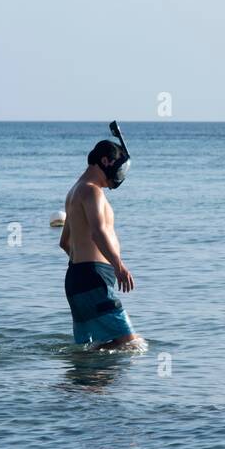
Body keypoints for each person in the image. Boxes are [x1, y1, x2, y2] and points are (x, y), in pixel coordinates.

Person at [60, 138, 141, 348]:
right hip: (93, 279)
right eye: (119, 168)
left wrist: (84, 265)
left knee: (90, 350)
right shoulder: (92, 191)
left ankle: (79, 382)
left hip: (77, 278)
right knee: (132, 346)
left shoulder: (74, 191)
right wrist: (118, 266)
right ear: (105, 161)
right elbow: (98, 232)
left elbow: (64, 242)